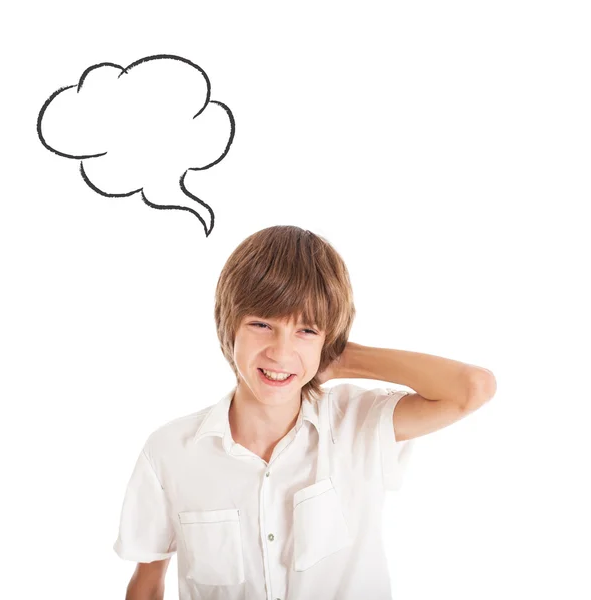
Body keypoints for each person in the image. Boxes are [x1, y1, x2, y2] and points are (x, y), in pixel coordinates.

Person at [113, 225, 496, 600]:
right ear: (228, 326)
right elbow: (147, 585)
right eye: (262, 325)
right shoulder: (170, 452)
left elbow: (472, 388)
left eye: (306, 331)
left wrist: (341, 357)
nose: (280, 353)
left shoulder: (357, 424)